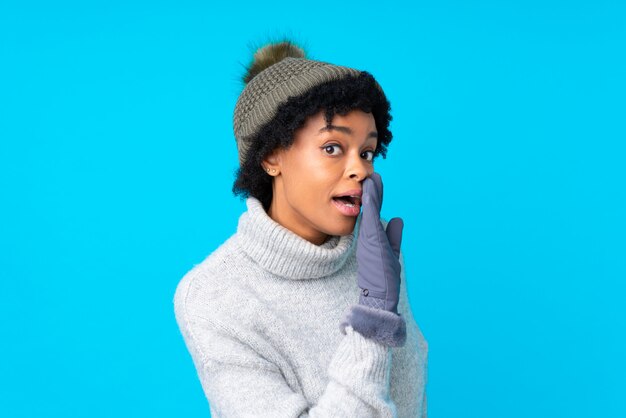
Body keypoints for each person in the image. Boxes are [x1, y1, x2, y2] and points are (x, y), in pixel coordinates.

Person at [173, 39, 429, 417]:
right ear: (272, 156)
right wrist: (373, 321)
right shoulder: (212, 297)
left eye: (367, 152)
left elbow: (408, 402)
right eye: (332, 148)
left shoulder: (378, 257)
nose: (360, 169)